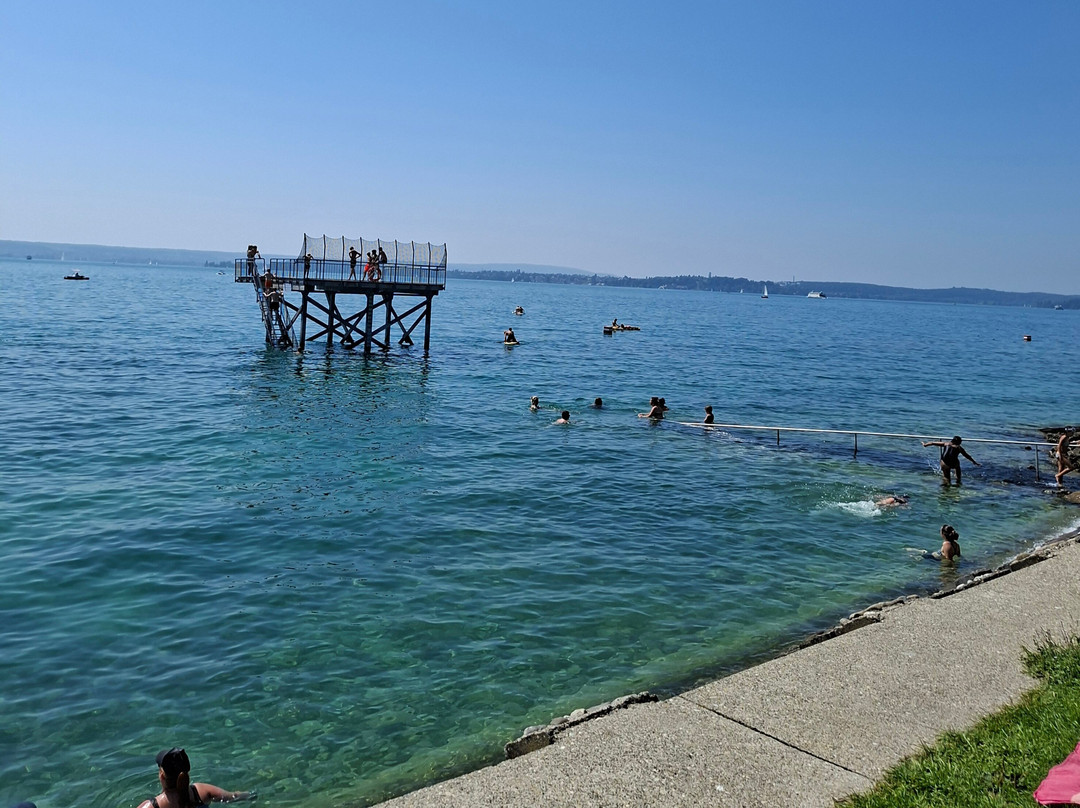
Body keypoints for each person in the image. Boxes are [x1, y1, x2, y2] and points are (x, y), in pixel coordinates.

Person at [136, 748, 255, 808]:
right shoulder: (201, 792)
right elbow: (235, 797)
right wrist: (252, 795)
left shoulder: (151, 806)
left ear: (162, 776)